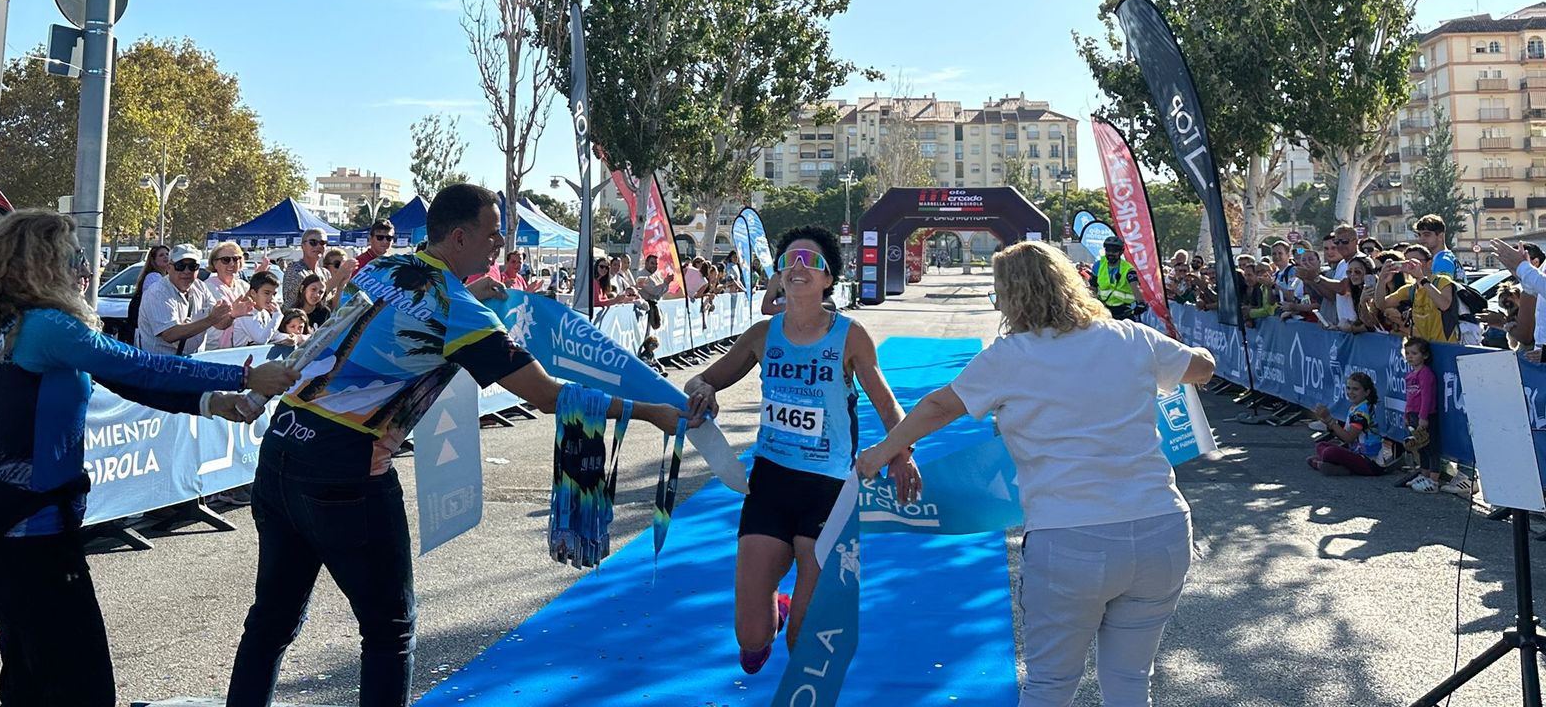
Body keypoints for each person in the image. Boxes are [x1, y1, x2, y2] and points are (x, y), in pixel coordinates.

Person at [226, 183, 679, 707]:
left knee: (272, 621)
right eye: (492, 236)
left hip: (284, 444)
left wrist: (476, 290)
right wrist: (652, 413)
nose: (500, 248)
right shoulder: (460, 310)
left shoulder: (381, 267)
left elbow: (415, 304)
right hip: (348, 465)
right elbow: (548, 396)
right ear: (461, 236)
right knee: (389, 631)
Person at [0, 210, 295, 706]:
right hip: (32, 543)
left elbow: (126, 379)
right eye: (73, 257)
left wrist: (209, 403)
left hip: (16, 537)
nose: (83, 270)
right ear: (44, 264)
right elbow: (136, 363)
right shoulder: (47, 326)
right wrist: (241, 377)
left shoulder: (18, 323)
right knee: (80, 689)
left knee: (30, 683)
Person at [855, 241, 1215, 707]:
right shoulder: (1130, 337)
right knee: (1130, 680)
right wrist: (1200, 348)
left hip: (1070, 538)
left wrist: (885, 451)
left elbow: (940, 405)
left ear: (1014, 297)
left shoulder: (1011, 355)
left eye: (998, 293)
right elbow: (1202, 368)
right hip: (1160, 528)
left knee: (1050, 685)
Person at [683, 225, 921, 676]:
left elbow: (888, 404)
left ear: (828, 278)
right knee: (752, 645)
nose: (798, 268)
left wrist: (902, 452)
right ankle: (779, 605)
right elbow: (699, 380)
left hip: (829, 490)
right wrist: (703, 393)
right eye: (789, 260)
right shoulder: (762, 334)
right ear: (778, 273)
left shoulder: (850, 337)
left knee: (803, 646)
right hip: (770, 484)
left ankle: (799, 614)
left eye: (810, 261)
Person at [137, 245, 232, 356]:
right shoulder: (157, 292)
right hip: (162, 368)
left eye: (192, 266)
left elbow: (220, 324)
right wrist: (210, 320)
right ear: (169, 267)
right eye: (180, 266)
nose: (186, 271)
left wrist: (232, 315)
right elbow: (170, 334)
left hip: (194, 364)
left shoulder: (200, 287)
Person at [1308, 372, 1385, 477]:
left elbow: (1348, 438)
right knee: (1321, 445)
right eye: (1348, 388)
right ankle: (1337, 466)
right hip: (1356, 452)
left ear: (1367, 392)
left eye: (1355, 389)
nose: (1351, 392)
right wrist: (1327, 423)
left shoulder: (1361, 412)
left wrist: (1329, 420)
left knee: (1329, 453)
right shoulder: (1356, 407)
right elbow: (1344, 432)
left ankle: (1339, 467)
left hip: (1369, 462)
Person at [202, 241, 258, 350]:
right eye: (226, 260)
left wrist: (259, 282)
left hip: (242, 345)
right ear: (214, 263)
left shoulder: (244, 286)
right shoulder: (207, 287)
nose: (232, 264)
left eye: (236, 259)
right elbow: (221, 321)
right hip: (214, 348)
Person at [1401, 338, 1440, 492]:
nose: (1410, 356)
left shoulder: (1425, 374)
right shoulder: (1411, 375)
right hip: (1413, 414)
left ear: (1424, 356)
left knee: (1431, 447)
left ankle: (1434, 479)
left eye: (1414, 353)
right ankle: (1424, 473)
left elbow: (1427, 397)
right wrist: (1406, 414)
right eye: (1408, 353)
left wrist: (1423, 417)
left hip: (1425, 414)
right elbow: (1409, 397)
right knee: (1420, 446)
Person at [120, 243, 171, 346]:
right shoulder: (154, 277)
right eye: (161, 255)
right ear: (153, 260)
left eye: (167, 254)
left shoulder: (165, 277)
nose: (166, 257)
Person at [1092, 236, 1144, 321]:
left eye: (1114, 251)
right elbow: (1093, 287)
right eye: (1108, 250)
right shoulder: (1098, 265)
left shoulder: (1128, 269)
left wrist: (1140, 303)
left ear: (1121, 252)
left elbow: (1135, 288)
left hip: (1124, 312)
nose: (1111, 253)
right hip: (1104, 311)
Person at [230, 271, 283, 348]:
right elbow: (261, 340)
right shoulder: (246, 313)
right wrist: (277, 315)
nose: (271, 298)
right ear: (253, 293)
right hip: (241, 357)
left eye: (274, 294)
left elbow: (273, 335)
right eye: (267, 293)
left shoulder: (265, 313)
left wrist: (290, 338)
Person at [282, 228, 331, 306]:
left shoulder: (326, 273)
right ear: (303, 246)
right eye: (313, 242)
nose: (318, 246)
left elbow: (329, 304)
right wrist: (339, 275)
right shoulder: (294, 269)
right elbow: (292, 304)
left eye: (322, 243)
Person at [1414, 214, 1458, 280]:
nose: (1421, 239)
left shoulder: (1442, 261)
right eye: (1419, 235)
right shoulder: (1447, 257)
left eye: (1426, 235)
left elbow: (1441, 290)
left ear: (1440, 236)